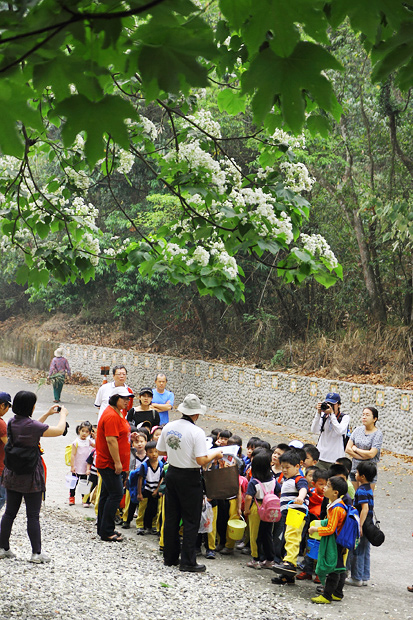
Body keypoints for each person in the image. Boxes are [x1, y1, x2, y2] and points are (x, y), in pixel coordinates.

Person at [156, 393, 222, 572]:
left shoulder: (169, 426)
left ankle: (169, 557)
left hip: (173, 473)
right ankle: (188, 561)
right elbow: (201, 460)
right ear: (196, 414)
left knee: (171, 517)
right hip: (190, 477)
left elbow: (161, 451)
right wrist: (216, 454)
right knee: (191, 520)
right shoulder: (196, 432)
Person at [0, 390, 68, 563]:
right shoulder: (32, 427)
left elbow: (31, 427)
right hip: (31, 475)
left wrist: (46, 414)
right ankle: (36, 553)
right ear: (31, 406)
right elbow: (59, 430)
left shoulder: (11, 422)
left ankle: (3, 548)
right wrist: (63, 415)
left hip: (13, 472)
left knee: (9, 513)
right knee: (32, 515)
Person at [95, 385, 134, 542]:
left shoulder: (118, 412)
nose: (127, 401)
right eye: (124, 398)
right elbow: (111, 440)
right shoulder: (111, 415)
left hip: (111, 462)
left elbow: (119, 434)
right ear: (115, 399)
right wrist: (118, 463)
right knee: (116, 494)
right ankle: (107, 530)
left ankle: (103, 528)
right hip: (109, 463)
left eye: (128, 398)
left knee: (106, 494)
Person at [308, 476, 349, 604]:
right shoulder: (336, 504)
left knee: (333, 570)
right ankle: (337, 593)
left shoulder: (337, 508)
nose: (324, 488)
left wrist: (315, 530)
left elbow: (331, 529)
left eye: (328, 486)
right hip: (339, 541)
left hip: (335, 542)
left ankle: (326, 596)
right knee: (339, 567)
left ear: (335, 492)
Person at [271, 450, 309, 584]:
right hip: (288, 512)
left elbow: (304, 489)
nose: (285, 470)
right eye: (283, 467)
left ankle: (290, 563)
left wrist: (300, 497)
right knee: (287, 538)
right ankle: (287, 576)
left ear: (297, 466)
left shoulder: (299, 479)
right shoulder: (287, 480)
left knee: (292, 537)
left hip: (296, 511)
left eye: (288, 467)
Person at [346, 462, 376, 587]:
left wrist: (359, 526)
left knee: (357, 550)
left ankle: (356, 577)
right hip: (369, 523)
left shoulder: (361, 490)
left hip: (362, 523)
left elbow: (364, 508)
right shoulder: (369, 489)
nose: (355, 474)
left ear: (362, 476)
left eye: (357, 472)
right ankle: (364, 576)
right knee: (365, 550)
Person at [345, 406, 383, 491]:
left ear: (375, 419)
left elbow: (372, 454)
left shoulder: (378, 434)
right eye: (363, 415)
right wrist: (361, 457)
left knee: (365, 499)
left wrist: (356, 449)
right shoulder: (357, 430)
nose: (364, 417)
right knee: (355, 498)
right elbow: (347, 449)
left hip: (368, 472)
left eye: (367, 415)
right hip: (355, 469)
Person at [310, 393, 350, 469]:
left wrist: (332, 415)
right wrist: (318, 413)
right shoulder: (324, 415)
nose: (330, 406)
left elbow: (340, 431)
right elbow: (314, 430)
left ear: (339, 405)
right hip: (321, 457)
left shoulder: (345, 417)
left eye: (332, 404)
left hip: (336, 459)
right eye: (328, 403)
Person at [136, 441, 164, 535]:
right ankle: (140, 525)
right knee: (142, 508)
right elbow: (140, 479)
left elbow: (162, 478)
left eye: (156, 451)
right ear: (146, 453)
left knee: (155, 509)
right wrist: (139, 493)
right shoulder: (144, 465)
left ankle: (153, 526)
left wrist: (157, 490)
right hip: (146, 489)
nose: (154, 454)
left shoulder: (161, 465)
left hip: (156, 490)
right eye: (151, 452)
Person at [69, 421, 93, 506]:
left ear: (90, 433)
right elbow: (73, 455)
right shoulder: (76, 442)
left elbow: (97, 446)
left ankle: (84, 499)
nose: (84, 433)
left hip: (84, 466)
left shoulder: (89, 441)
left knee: (83, 483)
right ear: (79, 430)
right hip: (76, 466)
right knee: (73, 483)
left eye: (87, 432)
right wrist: (72, 466)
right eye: (83, 431)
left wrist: (96, 436)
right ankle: (72, 497)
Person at [0, 392, 12, 512]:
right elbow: (9, 446)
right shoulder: (1, 424)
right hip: (0, 468)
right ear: (3, 405)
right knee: (1, 497)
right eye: (8, 407)